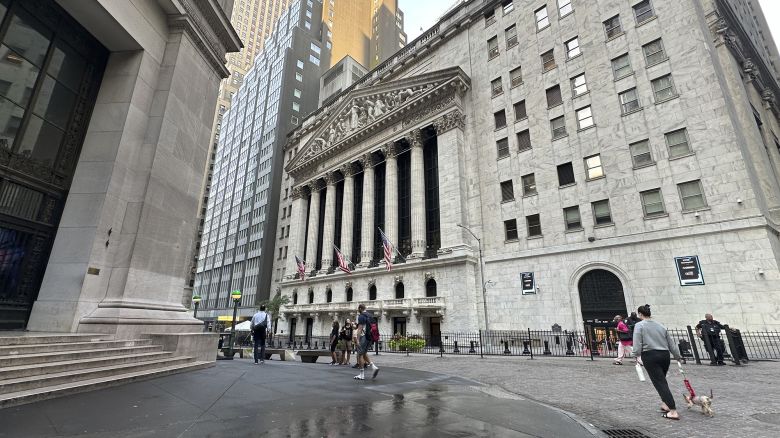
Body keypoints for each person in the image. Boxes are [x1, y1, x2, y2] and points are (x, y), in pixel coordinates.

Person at [633, 304, 683, 420]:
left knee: (660, 383)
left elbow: (637, 342)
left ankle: (673, 410)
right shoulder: (660, 325)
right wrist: (677, 356)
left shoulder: (639, 325)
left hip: (650, 355)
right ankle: (665, 404)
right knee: (662, 380)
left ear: (640, 314)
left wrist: (635, 355)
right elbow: (671, 343)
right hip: (664, 355)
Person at [353, 304, 379, 380]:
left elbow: (360, 329)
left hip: (364, 337)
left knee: (360, 354)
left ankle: (361, 375)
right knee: (364, 353)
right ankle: (374, 367)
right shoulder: (370, 315)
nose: (358, 310)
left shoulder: (361, 316)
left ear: (360, 308)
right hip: (370, 337)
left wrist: (357, 339)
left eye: (358, 309)